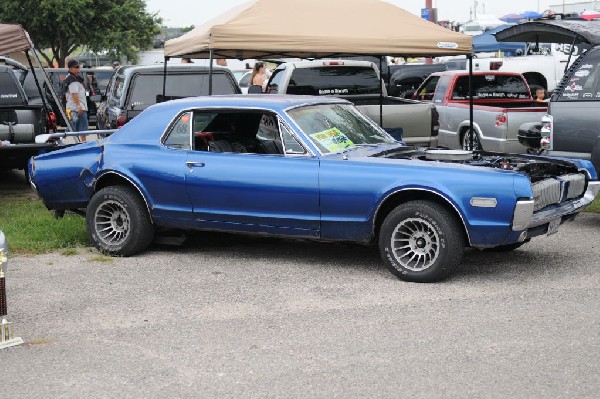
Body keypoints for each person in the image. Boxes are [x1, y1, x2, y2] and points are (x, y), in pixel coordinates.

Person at [64, 59, 89, 141]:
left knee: (83, 127)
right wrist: (79, 106)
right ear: (71, 68)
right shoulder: (71, 79)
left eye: (79, 67)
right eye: (76, 67)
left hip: (80, 108)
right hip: (74, 109)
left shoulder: (76, 78)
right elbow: (74, 94)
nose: (78, 69)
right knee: (72, 126)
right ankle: (61, 139)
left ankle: (83, 144)